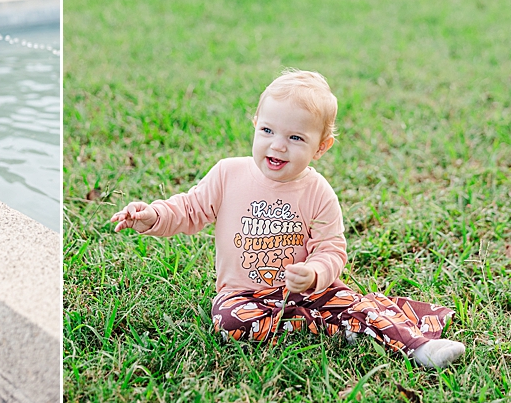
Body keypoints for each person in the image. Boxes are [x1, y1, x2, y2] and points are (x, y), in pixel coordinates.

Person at [111, 69, 466, 369]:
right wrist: (153, 215)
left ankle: (420, 347)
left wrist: (314, 274)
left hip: (309, 293)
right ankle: (328, 325)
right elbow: (189, 209)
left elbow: (331, 249)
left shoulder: (317, 191)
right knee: (229, 323)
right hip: (243, 294)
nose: (277, 146)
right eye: (267, 131)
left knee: (355, 304)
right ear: (255, 125)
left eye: (295, 137)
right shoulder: (228, 174)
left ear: (321, 147)